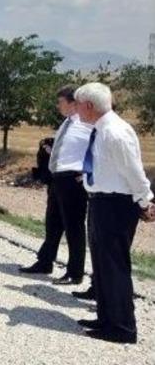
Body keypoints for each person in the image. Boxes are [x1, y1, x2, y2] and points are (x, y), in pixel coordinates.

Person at [74, 82, 155, 344]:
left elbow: (134, 171)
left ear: (89, 106)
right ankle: (106, 318)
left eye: (78, 105)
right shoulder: (101, 129)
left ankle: (122, 327)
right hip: (102, 202)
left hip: (116, 205)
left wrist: (145, 201)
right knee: (101, 264)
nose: (76, 110)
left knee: (114, 265)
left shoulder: (115, 132)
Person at [20, 86, 92, 285]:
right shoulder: (67, 123)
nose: (57, 106)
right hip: (57, 178)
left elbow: (97, 150)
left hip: (73, 181)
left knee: (73, 227)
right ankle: (45, 262)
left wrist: (86, 172)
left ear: (73, 103)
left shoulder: (86, 125)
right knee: (52, 223)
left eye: (60, 102)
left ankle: (75, 272)